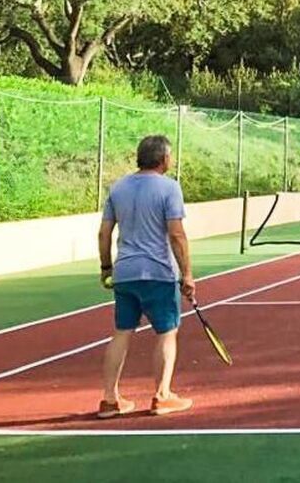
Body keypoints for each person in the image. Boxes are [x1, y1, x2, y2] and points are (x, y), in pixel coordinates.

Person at [97, 135, 196, 419]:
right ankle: (162, 395)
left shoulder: (118, 187)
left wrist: (106, 268)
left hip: (125, 272)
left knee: (122, 332)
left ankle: (109, 399)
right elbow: (176, 234)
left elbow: (104, 233)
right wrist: (187, 274)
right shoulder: (170, 187)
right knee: (167, 332)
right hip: (158, 272)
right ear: (164, 159)